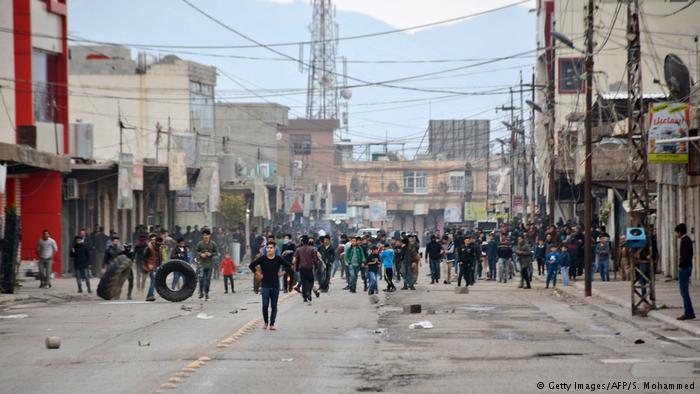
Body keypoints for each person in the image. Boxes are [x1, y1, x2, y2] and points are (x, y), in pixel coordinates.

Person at [249, 241, 292, 330]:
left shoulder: (278, 259)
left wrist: (283, 272)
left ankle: (272, 324)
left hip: (275, 285)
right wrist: (258, 273)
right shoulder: (262, 259)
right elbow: (251, 266)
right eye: (268, 248)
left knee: (274, 305)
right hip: (265, 285)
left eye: (271, 248)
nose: (269, 249)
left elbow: (289, 266)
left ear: (275, 249)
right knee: (265, 305)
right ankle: (265, 323)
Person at [675, 223, 695, 321]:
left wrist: (680, 266)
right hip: (687, 267)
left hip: (685, 268)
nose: (675, 235)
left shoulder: (685, 240)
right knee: (684, 291)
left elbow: (686, 255)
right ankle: (689, 312)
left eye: (676, 232)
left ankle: (688, 313)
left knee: (684, 292)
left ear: (679, 232)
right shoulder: (686, 239)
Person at [292, 236, 321, 303]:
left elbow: (294, 260)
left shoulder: (298, 249)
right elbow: (315, 259)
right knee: (311, 281)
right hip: (309, 268)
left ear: (302, 242)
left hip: (301, 268)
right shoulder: (312, 249)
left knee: (304, 282)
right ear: (308, 241)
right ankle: (309, 293)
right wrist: (316, 266)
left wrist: (294, 266)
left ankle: (305, 297)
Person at [196, 229, 219, 301]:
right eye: (204, 235)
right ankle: (201, 293)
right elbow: (196, 251)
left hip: (210, 264)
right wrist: (201, 254)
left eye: (207, 235)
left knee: (208, 280)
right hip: (201, 264)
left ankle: (206, 293)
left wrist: (211, 254)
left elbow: (216, 252)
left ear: (209, 235)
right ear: (202, 236)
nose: (205, 236)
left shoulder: (213, 244)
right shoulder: (200, 243)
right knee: (201, 279)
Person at [143, 236, 164, 302]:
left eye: (160, 242)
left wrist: (160, 265)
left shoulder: (160, 248)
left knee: (154, 281)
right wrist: (147, 266)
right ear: (156, 241)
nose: (159, 243)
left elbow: (160, 258)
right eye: (158, 242)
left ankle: (149, 295)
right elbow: (145, 258)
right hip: (151, 267)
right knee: (154, 281)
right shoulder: (149, 248)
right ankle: (150, 295)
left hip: (157, 267)